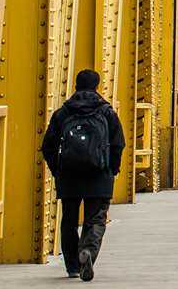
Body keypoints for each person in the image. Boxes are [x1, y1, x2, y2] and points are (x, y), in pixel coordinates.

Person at [42, 69, 125, 282]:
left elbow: (48, 146)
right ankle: (87, 251)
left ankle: (72, 266)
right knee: (96, 219)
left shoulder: (63, 113)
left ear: (76, 85)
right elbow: (118, 143)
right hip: (99, 174)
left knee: (69, 220)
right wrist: (112, 169)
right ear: (97, 86)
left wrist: (57, 169)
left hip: (69, 175)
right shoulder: (106, 112)